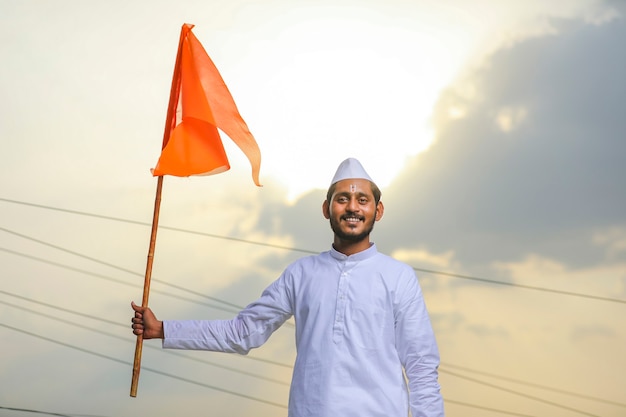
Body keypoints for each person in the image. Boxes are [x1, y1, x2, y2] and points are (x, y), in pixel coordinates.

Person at [131, 157, 445, 417]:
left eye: (362, 200)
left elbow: (420, 364)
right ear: (326, 209)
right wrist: (163, 329)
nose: (352, 207)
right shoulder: (300, 274)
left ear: (378, 210)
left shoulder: (398, 276)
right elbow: (244, 332)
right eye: (343, 199)